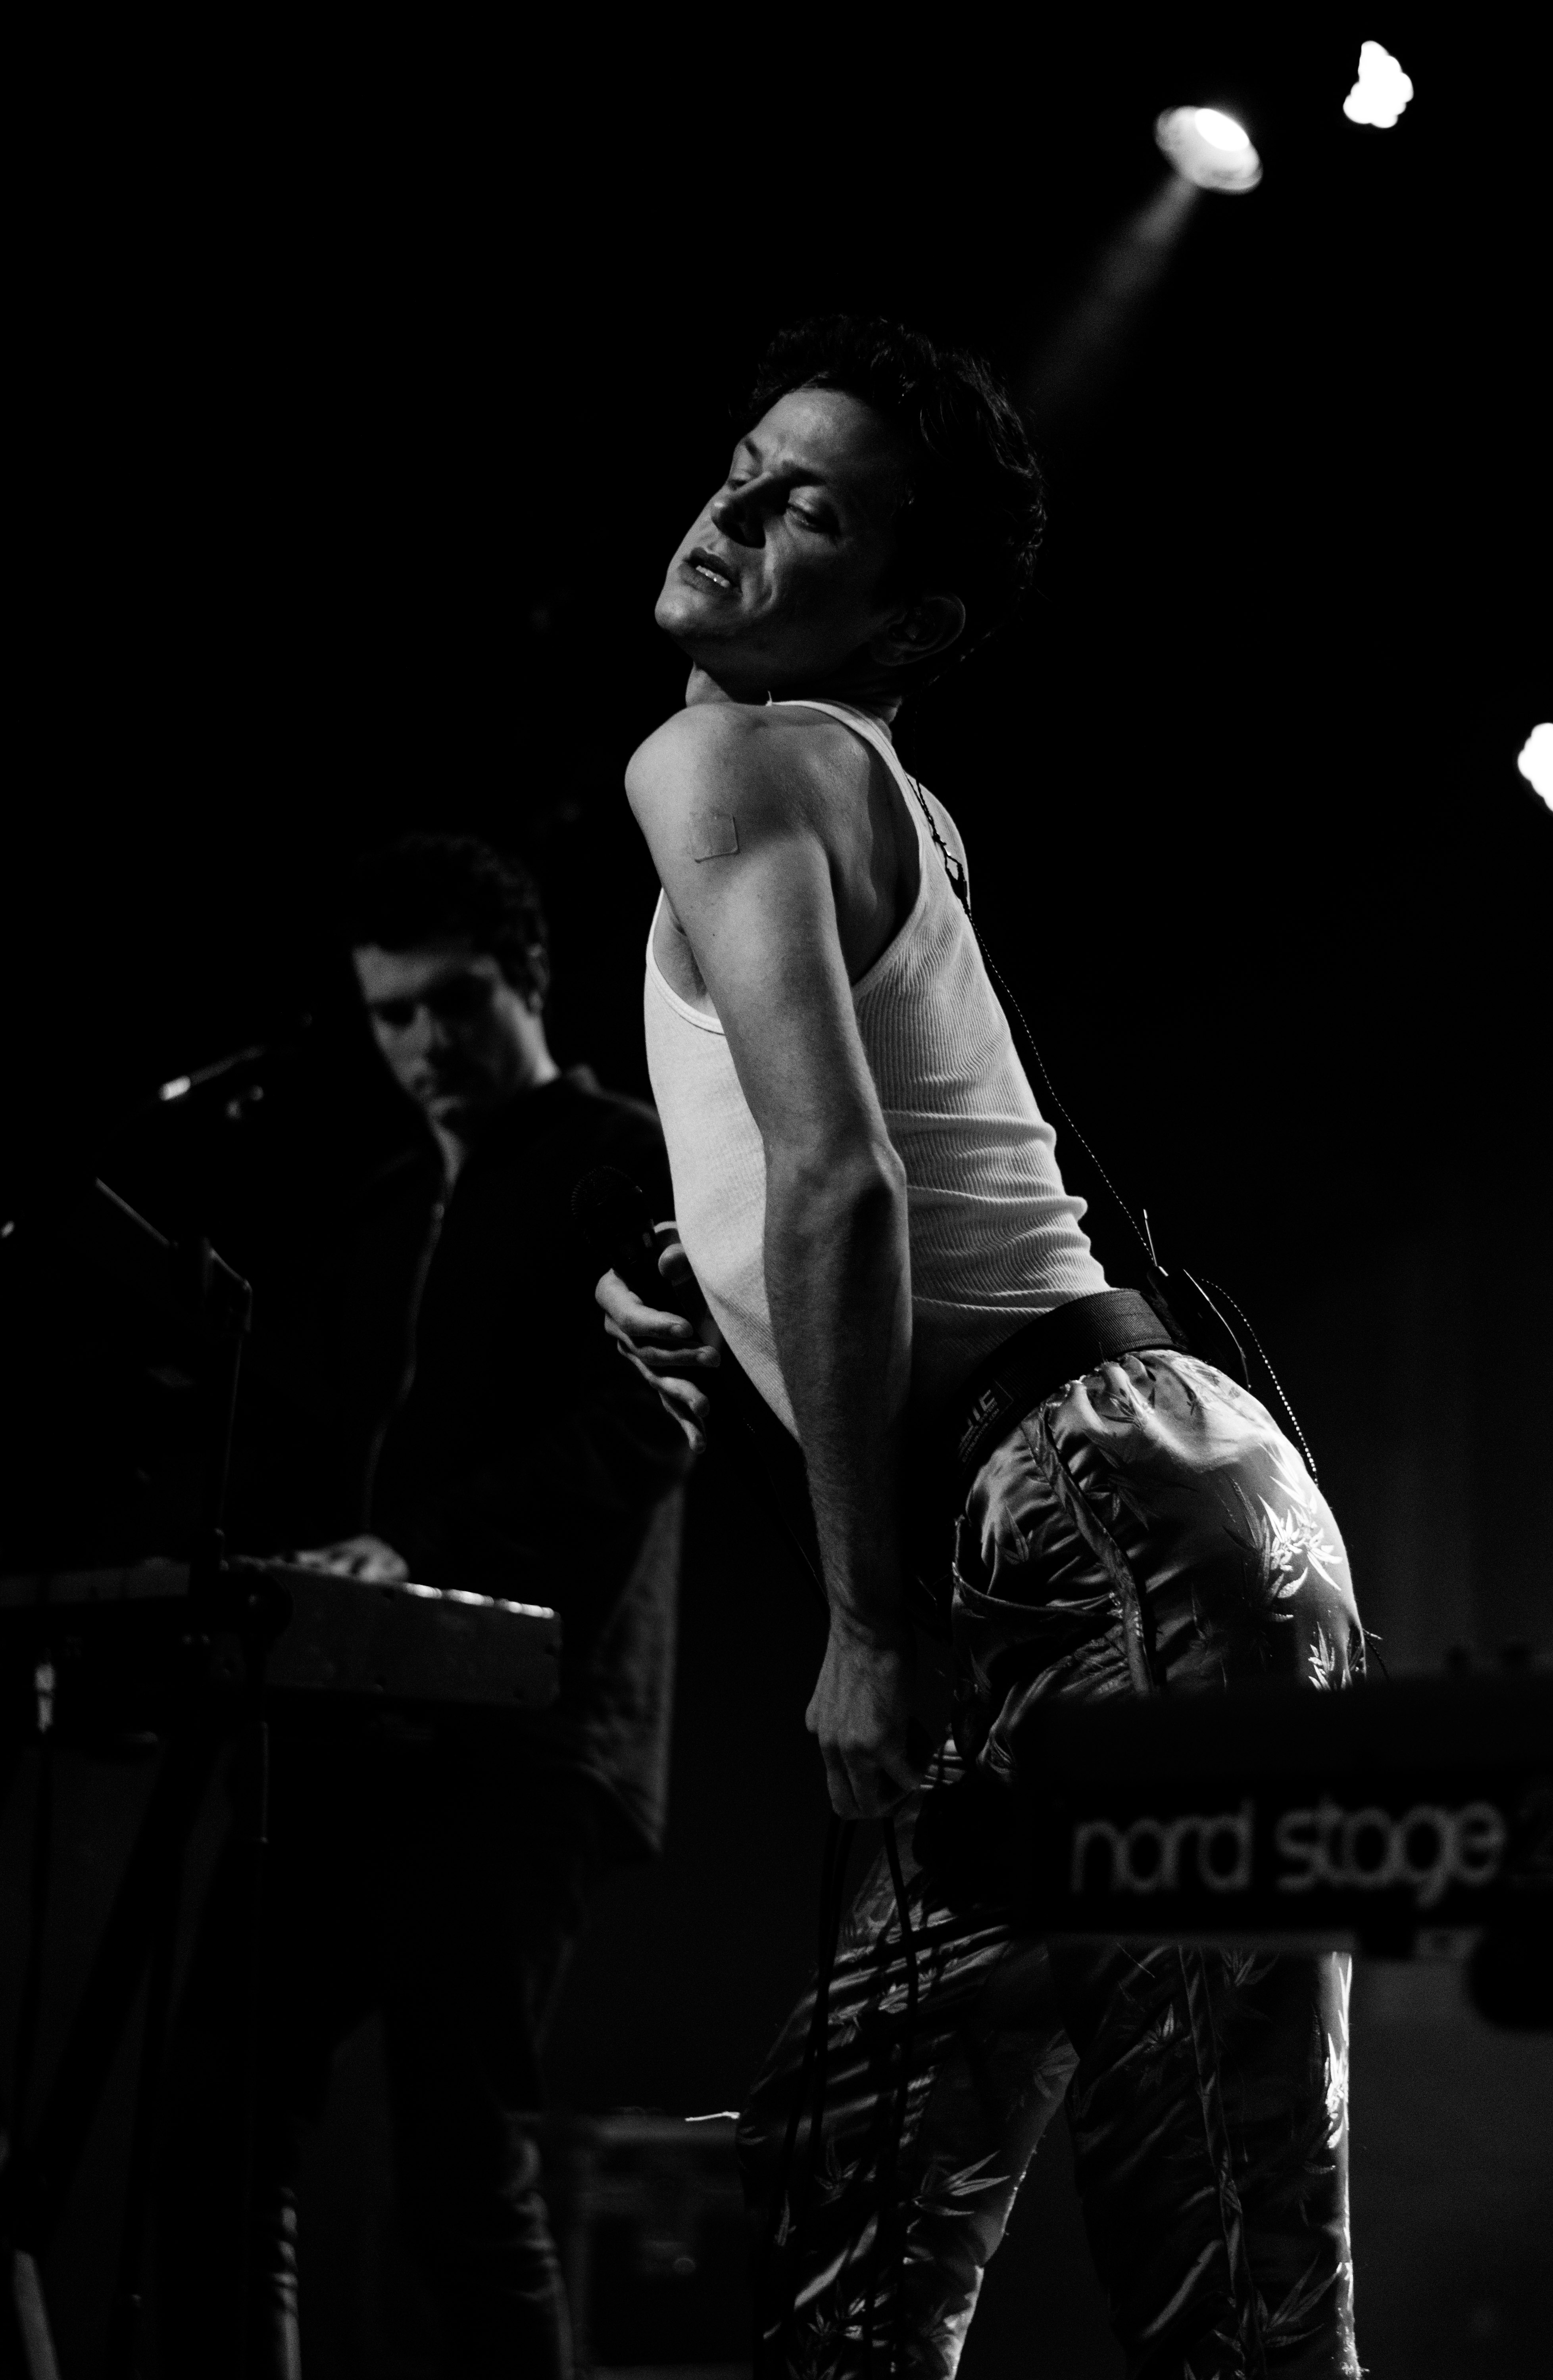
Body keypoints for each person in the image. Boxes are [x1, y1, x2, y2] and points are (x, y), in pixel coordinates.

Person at [598, 317, 1365, 2378]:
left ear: (909, 618)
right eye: (745, 463)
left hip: (1104, 1525)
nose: (737, 510)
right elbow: (882, 1160)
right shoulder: (880, 796)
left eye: (811, 510)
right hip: (1134, 1522)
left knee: (1230, 2281)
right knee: (839, 2205)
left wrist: (862, 1623)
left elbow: (849, 1183)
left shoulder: (717, 759)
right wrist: (708, 1265)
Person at [158, 834, 689, 2377]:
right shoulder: (383, 1209)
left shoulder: (627, 1163)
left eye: (453, 1003)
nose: (422, 1043)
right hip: (354, 1730)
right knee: (217, 2120)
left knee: (459, 2165)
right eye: (391, 1014)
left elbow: (647, 1428)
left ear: (527, 980)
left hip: (530, 1740)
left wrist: (418, 1548)